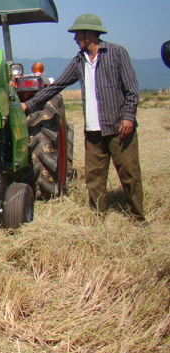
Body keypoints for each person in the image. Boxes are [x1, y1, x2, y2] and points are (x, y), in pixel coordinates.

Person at [22, 14, 144, 221]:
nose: (75, 38)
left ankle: (137, 216)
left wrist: (129, 117)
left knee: (129, 174)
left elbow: (132, 89)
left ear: (90, 33)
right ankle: (98, 216)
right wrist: (29, 105)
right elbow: (58, 85)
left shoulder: (116, 53)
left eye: (78, 34)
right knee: (94, 177)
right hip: (93, 130)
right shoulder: (79, 61)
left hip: (118, 127)